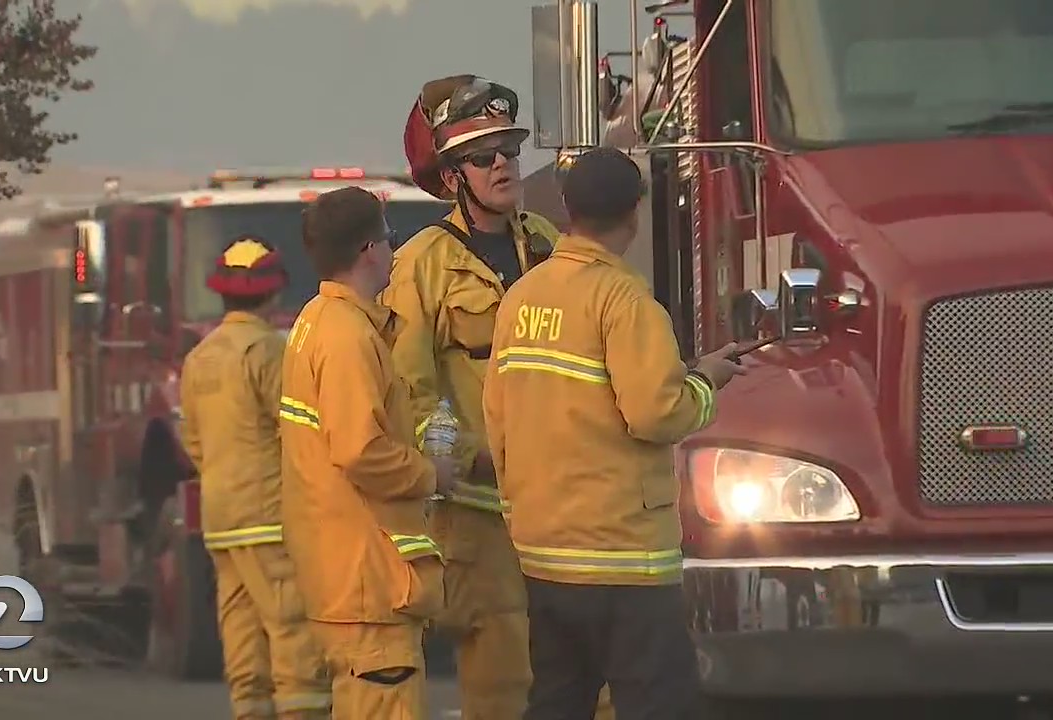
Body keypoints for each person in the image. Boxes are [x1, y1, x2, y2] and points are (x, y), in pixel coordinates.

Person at [482, 147, 750, 720]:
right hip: (624, 556)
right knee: (657, 703)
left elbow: (498, 414)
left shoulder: (522, 297)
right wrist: (705, 383)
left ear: (567, 210)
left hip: (545, 552)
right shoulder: (624, 300)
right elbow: (655, 413)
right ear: (634, 213)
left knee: (557, 700)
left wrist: (517, 511)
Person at [384, 74, 622, 720]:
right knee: (504, 684)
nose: (503, 165)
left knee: (598, 680)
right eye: (483, 156)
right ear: (451, 176)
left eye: (510, 151)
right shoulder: (422, 264)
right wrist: (464, 454)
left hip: (564, 501)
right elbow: (410, 387)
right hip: (481, 515)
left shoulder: (548, 243)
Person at [280, 187, 456, 720]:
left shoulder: (317, 319)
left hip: (343, 572)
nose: (393, 250)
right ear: (368, 250)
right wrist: (431, 473)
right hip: (368, 585)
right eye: (389, 238)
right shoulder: (347, 337)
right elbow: (360, 450)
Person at [179, 237, 331, 720]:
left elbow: (194, 442)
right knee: (293, 633)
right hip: (270, 518)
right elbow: (298, 431)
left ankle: (250, 711)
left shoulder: (199, 357)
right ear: (275, 290)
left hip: (222, 521)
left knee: (241, 631)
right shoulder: (267, 351)